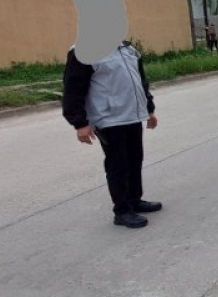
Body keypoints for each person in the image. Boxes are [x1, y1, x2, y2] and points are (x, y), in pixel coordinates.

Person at [62, 40, 162, 228]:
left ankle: (134, 200)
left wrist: (149, 108)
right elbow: (73, 88)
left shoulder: (127, 48)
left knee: (135, 160)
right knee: (118, 165)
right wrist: (79, 123)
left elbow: (140, 81)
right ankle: (122, 211)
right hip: (108, 118)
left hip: (132, 115)